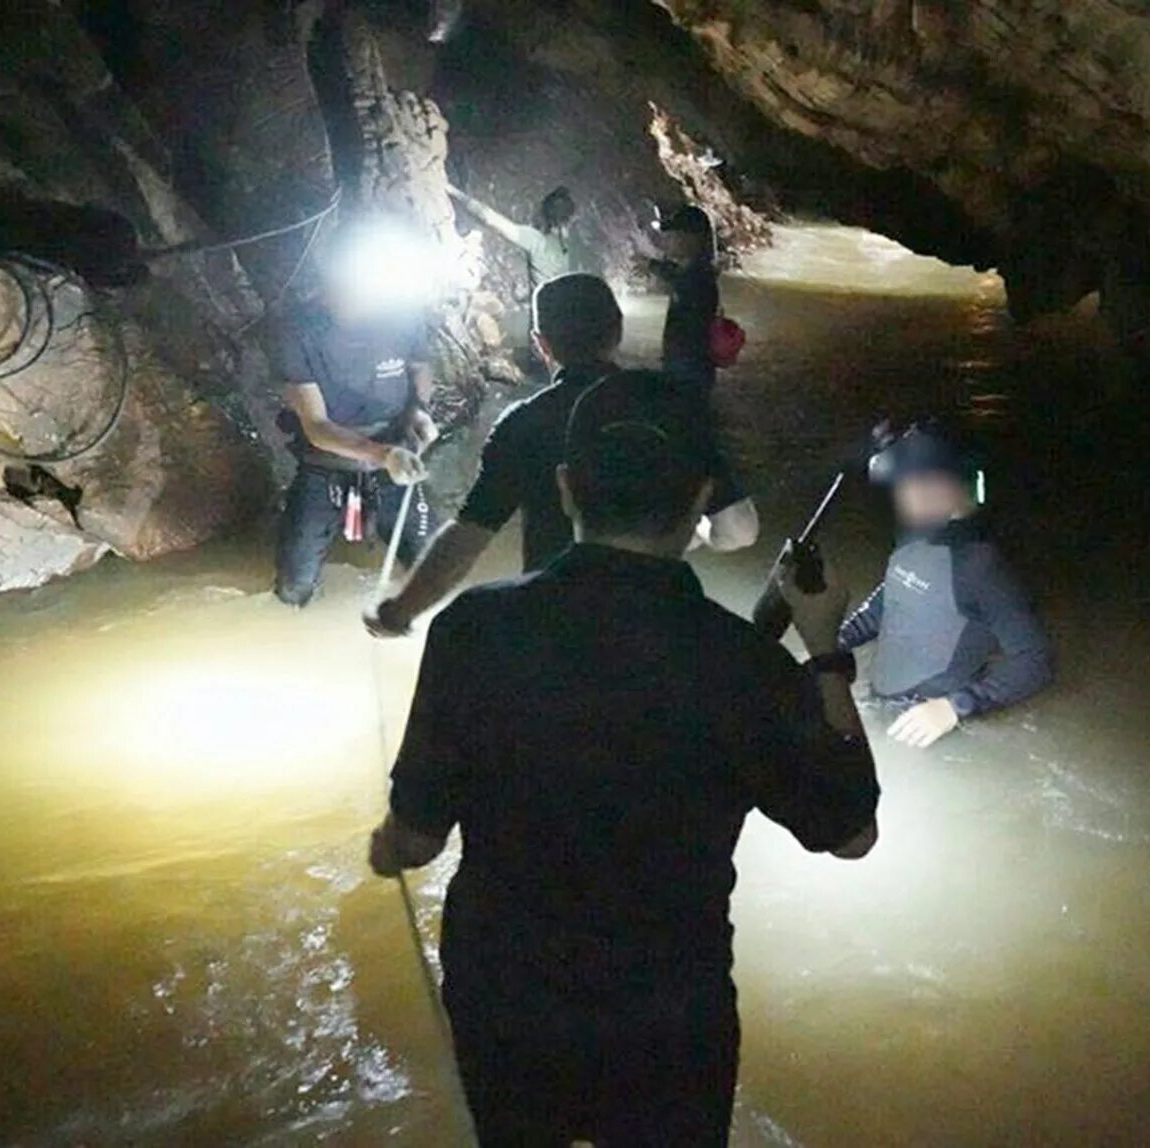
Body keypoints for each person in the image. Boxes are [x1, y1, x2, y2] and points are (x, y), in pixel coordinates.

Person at [368, 370, 880, 1146]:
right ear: (702, 496)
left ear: (568, 488)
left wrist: (386, 847)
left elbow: (415, 840)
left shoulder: (473, 629)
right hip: (668, 1018)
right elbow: (850, 832)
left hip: (507, 1001)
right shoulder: (742, 663)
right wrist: (823, 649)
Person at [365, 273, 758, 637]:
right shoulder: (669, 410)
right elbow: (741, 531)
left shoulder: (524, 423)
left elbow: (467, 538)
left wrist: (400, 611)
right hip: (657, 626)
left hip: (551, 623)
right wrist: (697, 530)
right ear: (618, 328)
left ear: (541, 343)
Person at [839, 421, 1054, 748]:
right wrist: (839, 640)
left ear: (949, 486)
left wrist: (956, 707)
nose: (902, 495)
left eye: (911, 483)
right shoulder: (915, 534)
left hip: (930, 728)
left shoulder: (981, 565)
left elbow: (1035, 659)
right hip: (881, 707)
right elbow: (892, 598)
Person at [268, 240, 438, 607]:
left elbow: (420, 366)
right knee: (293, 587)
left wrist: (419, 410)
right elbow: (315, 424)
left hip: (397, 455)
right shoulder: (297, 331)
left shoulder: (403, 313)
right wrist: (381, 454)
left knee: (433, 568)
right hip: (326, 463)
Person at [449, 184, 579, 293]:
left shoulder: (538, 242)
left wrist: (454, 192)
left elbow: (490, 219)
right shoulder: (571, 249)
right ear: (570, 219)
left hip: (545, 317)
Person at [646, 203, 720, 392]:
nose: (665, 240)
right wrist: (651, 265)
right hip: (687, 363)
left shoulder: (698, 278)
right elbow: (676, 275)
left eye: (672, 235)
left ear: (691, 239)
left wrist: (655, 268)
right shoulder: (696, 271)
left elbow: (682, 282)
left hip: (689, 367)